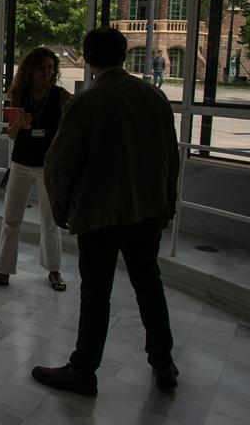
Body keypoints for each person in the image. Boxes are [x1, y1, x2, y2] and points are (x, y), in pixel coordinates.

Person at [33, 27, 180, 397]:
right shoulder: (154, 96)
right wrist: (167, 204)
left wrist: (62, 207)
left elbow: (59, 163)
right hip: (145, 211)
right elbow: (171, 157)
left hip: (98, 215)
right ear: (123, 56)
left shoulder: (87, 101)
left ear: (87, 57)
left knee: (96, 293)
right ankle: (163, 362)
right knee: (149, 286)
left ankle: (84, 369)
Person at [0, 47, 70, 291]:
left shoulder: (60, 95)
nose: (46, 72)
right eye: (41, 68)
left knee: (50, 220)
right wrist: (17, 124)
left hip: (48, 165)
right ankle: (2, 270)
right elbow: (12, 135)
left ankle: (54, 270)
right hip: (22, 163)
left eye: (50, 68)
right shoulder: (20, 94)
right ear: (31, 70)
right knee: (11, 217)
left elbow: (69, 129)